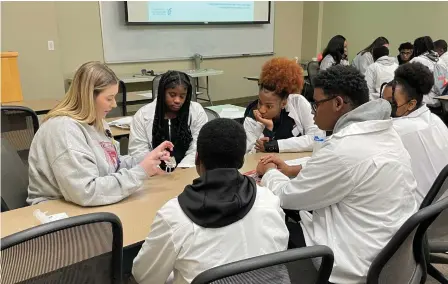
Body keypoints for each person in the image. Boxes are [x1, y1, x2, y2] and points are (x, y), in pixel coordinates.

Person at [256, 65, 418, 283]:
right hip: (393, 257)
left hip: (352, 263)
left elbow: (287, 196)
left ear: (338, 103)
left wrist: (269, 172)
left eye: (316, 104)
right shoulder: (384, 131)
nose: (313, 111)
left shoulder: (343, 147)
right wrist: (295, 168)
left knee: (272, 218)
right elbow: (342, 164)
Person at [132, 118, 289, 284]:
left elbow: (144, 277)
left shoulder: (174, 216)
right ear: (242, 160)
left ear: (197, 158)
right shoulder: (269, 199)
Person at [27, 61, 173, 206]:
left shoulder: (96, 120)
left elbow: (112, 164)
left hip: (82, 203)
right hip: (56, 210)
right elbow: (86, 191)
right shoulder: (63, 129)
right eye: (109, 98)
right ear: (88, 96)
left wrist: (146, 160)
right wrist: (141, 171)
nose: (114, 104)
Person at [381, 62, 448, 205]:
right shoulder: (436, 120)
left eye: (390, 103)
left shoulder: (395, 130)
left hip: (418, 212)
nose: (384, 108)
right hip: (440, 210)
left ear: (411, 104)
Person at [129, 71, 207, 170]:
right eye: (172, 95)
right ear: (162, 92)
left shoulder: (197, 111)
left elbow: (197, 147)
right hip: (152, 174)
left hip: (186, 171)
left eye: (182, 96)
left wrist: (181, 170)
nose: (177, 100)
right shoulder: (143, 115)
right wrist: (157, 171)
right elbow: (138, 152)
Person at [243, 57, 323, 154]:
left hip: (297, 162)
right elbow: (249, 155)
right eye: (260, 102)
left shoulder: (298, 103)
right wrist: (268, 129)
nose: (262, 110)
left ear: (284, 103)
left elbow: (317, 138)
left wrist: (275, 145)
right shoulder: (251, 119)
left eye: (269, 106)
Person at [410, 36, 442, 108]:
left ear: (416, 48)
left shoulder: (417, 60)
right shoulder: (440, 60)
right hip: (440, 101)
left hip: (424, 103)